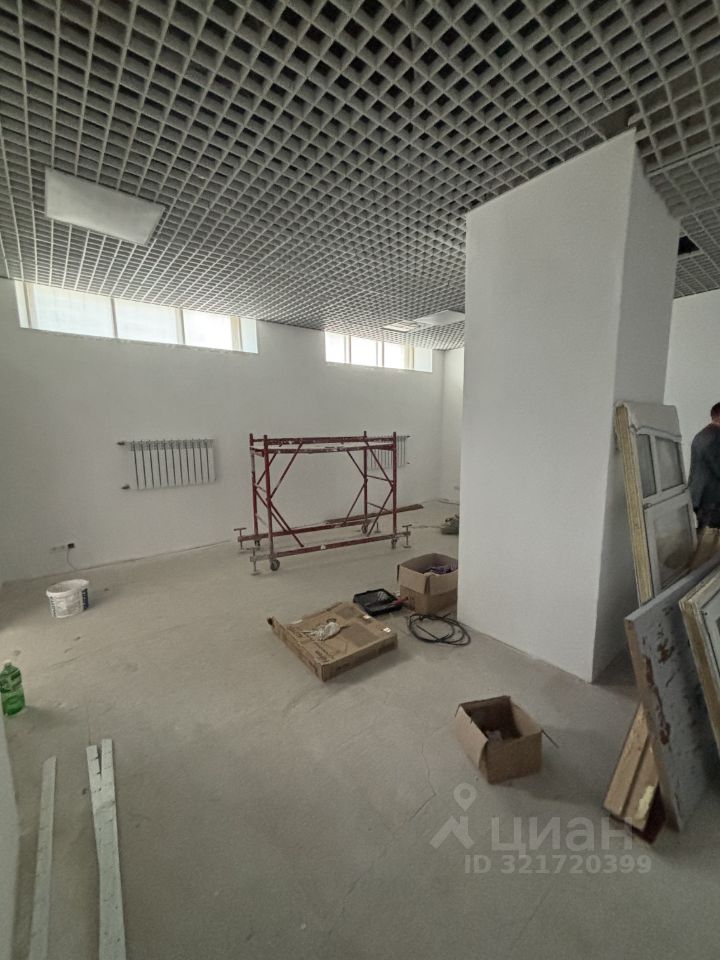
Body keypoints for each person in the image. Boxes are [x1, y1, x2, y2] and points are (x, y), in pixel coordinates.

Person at [689, 402, 720, 531]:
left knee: (705, 533)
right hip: (712, 500)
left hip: (701, 497)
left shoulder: (702, 435)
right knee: (710, 536)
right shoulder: (716, 437)